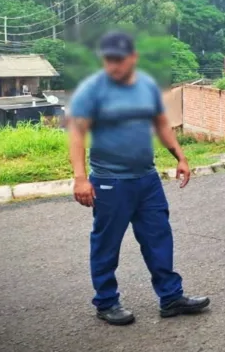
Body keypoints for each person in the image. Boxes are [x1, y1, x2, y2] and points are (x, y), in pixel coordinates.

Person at [68, 31, 210, 325]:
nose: (114, 65)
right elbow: (77, 134)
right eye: (109, 59)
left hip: (147, 179)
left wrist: (180, 157)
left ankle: (170, 297)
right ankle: (106, 301)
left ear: (133, 58)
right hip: (110, 181)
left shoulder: (145, 86)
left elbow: (161, 124)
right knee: (106, 244)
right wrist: (80, 178)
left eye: (119, 59)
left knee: (159, 237)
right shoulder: (92, 90)